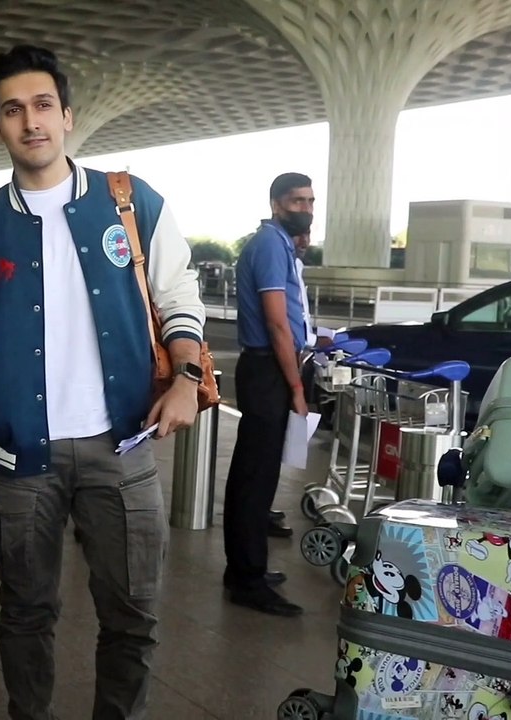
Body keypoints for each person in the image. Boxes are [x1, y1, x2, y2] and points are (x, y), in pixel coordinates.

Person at [0, 45, 206, 720]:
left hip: (121, 447)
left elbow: (178, 296)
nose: (31, 122)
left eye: (42, 106)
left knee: (133, 613)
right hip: (16, 460)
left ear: (67, 115)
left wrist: (185, 375)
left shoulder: (130, 204)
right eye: (12, 110)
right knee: (26, 612)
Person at [223, 172, 314, 617]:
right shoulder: (269, 244)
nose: (307, 208)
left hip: (270, 367)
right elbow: (277, 322)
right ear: (277, 204)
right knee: (253, 476)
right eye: (297, 201)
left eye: (311, 200)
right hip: (265, 370)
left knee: (258, 476)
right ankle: (246, 579)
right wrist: (296, 387)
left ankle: (246, 567)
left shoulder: (278, 242)